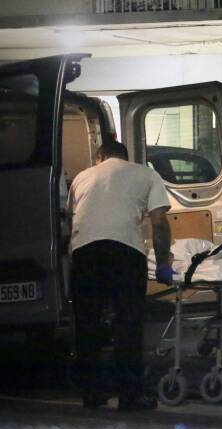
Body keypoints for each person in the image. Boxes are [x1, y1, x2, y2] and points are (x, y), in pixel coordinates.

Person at [68, 140, 174, 411]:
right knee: (128, 322)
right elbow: (160, 223)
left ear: (99, 157)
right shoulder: (146, 174)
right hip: (125, 252)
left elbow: (73, 218)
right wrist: (163, 263)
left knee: (88, 323)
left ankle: (91, 392)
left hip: (84, 253)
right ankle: (129, 394)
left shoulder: (81, 177)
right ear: (125, 158)